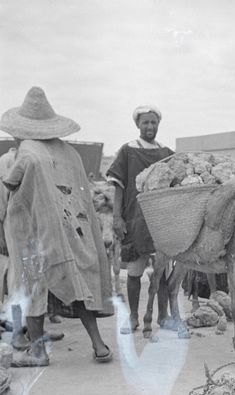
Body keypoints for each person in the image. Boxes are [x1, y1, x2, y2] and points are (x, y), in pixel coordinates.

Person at [0, 86, 113, 366]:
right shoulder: (70, 153)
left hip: (34, 231)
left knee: (32, 286)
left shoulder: (27, 151)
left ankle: (37, 352)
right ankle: (99, 345)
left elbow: (11, 183)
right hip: (73, 228)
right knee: (77, 281)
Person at [106, 106, 174, 334]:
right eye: (145, 123)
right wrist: (117, 217)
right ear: (138, 125)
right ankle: (134, 317)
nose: (150, 127)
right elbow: (118, 185)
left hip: (161, 222)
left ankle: (163, 317)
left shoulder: (166, 152)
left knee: (162, 273)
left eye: (153, 123)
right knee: (134, 273)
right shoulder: (128, 151)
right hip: (135, 220)